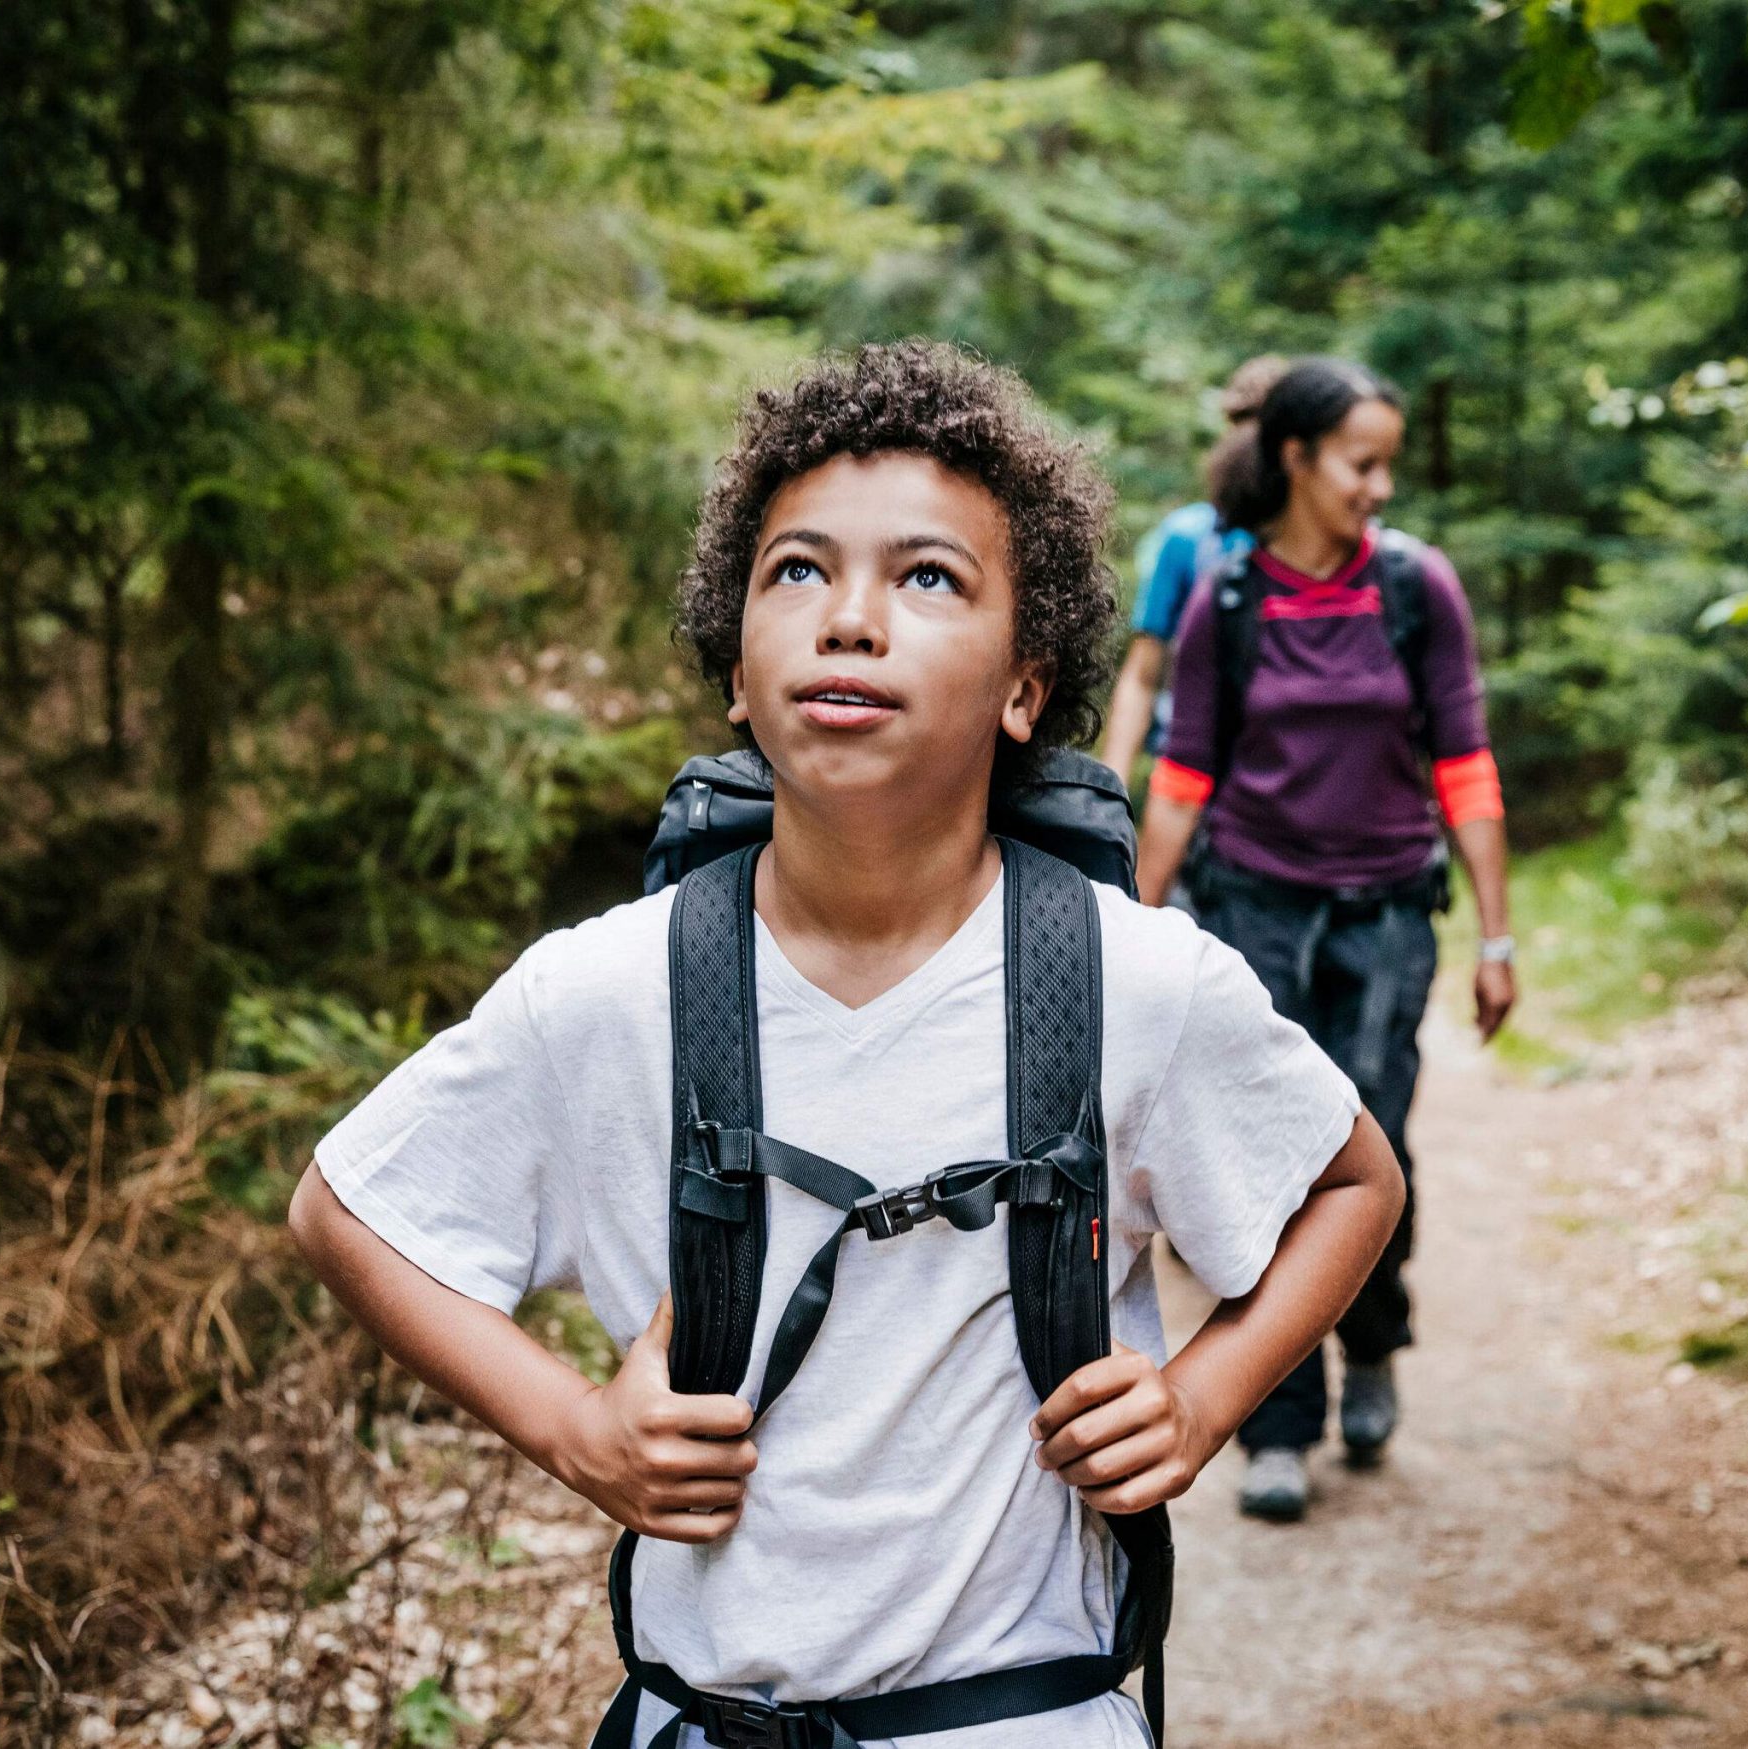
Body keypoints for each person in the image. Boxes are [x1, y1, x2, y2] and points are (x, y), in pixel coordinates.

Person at [288, 341, 1408, 1748]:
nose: (852, 618)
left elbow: (1351, 1181)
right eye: (796, 571)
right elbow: (346, 1206)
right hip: (703, 1720)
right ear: (738, 678)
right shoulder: (607, 991)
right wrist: (575, 1430)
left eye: (929, 577)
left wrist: (1201, 1399)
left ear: (1024, 686)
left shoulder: (1135, 981)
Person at [1133, 357, 1517, 1523]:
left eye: (1387, 461)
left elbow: (1464, 760)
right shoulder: (1227, 600)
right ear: (1295, 459)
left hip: (1390, 913)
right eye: (1361, 462)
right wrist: (1133, 927)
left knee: (1373, 1146)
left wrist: (1495, 935)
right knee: (1272, 1168)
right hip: (1253, 910)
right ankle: (1279, 1426)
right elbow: (1182, 776)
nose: (1379, 485)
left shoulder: (1415, 589)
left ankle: (1378, 1341)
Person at [1096, 357, 1287, 788]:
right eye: (1240, 424)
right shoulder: (1187, 539)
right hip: (1189, 771)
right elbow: (1143, 672)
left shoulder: (1318, 542)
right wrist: (1109, 790)